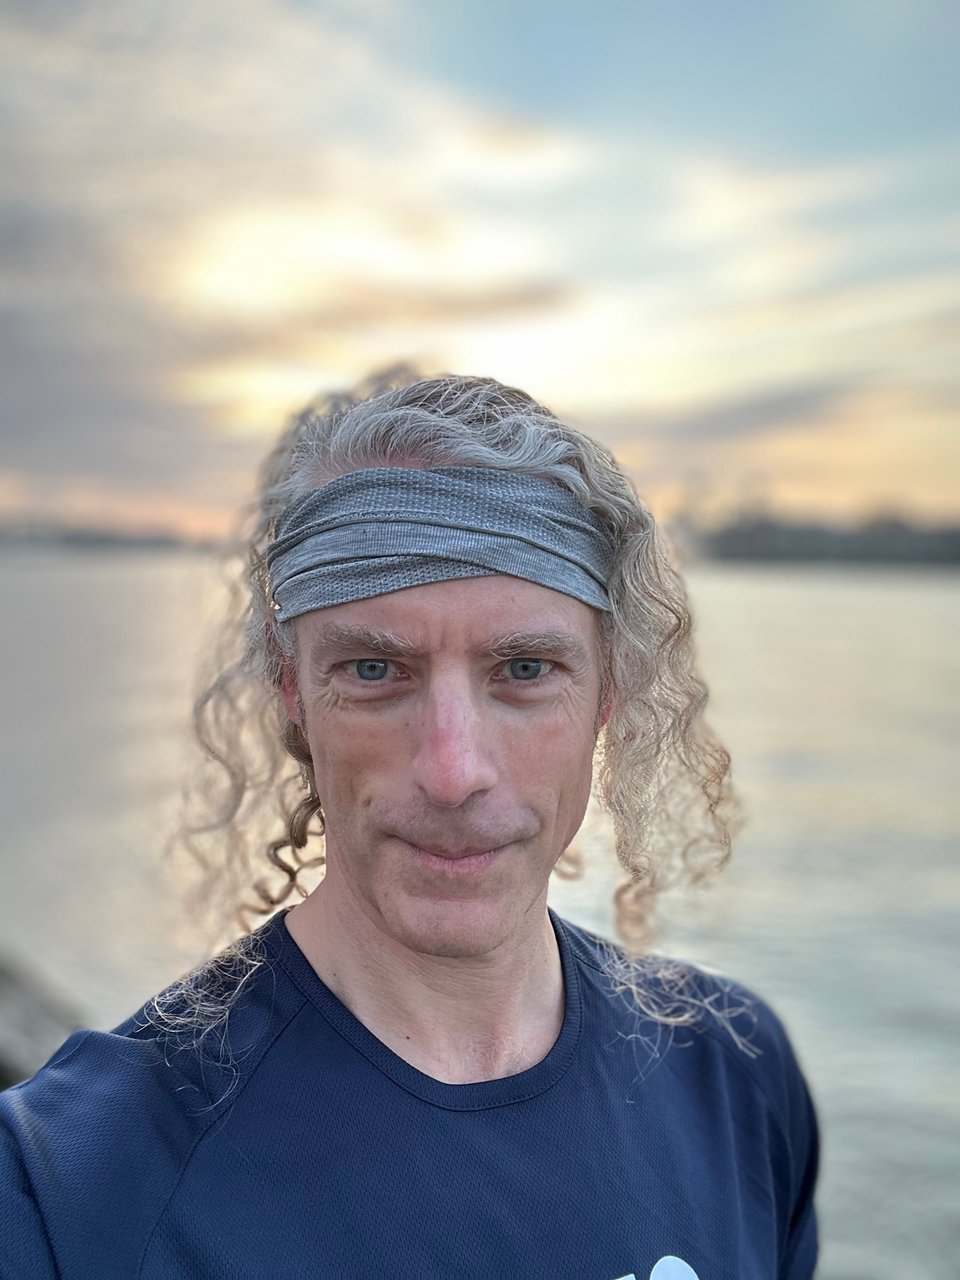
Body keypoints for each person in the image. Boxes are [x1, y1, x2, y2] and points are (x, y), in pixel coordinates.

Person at [0, 373, 818, 1279]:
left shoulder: (735, 1080)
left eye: (525, 668)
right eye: (373, 670)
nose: (453, 771)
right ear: (292, 691)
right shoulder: (70, 1189)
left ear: (607, 693)